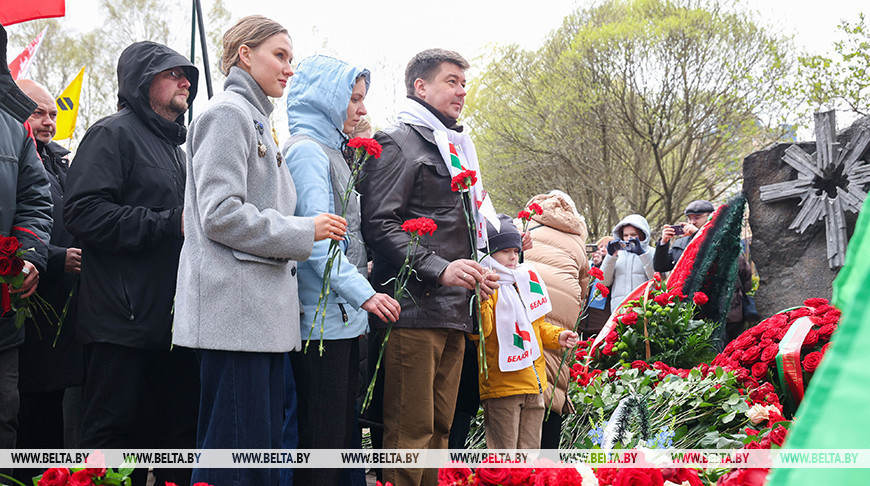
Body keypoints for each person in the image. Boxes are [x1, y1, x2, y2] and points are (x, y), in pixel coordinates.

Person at [171, 16, 347, 486]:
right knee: (236, 460)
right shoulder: (227, 113)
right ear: (245, 55)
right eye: (280, 55)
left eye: (291, 58)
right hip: (236, 320)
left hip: (260, 321)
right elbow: (220, 213)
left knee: (262, 458)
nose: (289, 68)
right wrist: (303, 230)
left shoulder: (257, 119)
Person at [358, 48, 499, 486]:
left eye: (463, 82)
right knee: (411, 429)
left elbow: (463, 226)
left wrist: (480, 267)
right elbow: (379, 224)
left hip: (455, 311)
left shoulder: (454, 145)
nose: (461, 91)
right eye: (451, 81)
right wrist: (440, 268)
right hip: (412, 313)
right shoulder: (398, 141)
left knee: (440, 428)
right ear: (420, 87)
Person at [63, 40, 200, 486]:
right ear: (142, 83)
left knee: (175, 445)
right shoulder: (112, 133)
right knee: (111, 450)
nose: (186, 81)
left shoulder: (178, 152)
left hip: (172, 328)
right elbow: (82, 212)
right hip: (120, 326)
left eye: (188, 75)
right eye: (173, 73)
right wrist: (167, 223)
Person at [283, 54, 400, 486]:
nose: (362, 110)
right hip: (321, 326)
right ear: (325, 100)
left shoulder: (329, 151)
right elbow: (314, 241)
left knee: (338, 443)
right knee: (322, 446)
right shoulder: (309, 154)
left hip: (340, 321)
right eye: (353, 99)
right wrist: (364, 293)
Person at [13, 79, 84, 480]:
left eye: (53, 114)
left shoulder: (59, 161)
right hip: (26, 303)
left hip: (59, 311)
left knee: (52, 413)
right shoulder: (15, 157)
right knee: (28, 413)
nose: (48, 122)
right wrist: (56, 259)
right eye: (38, 112)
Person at [476, 214, 578, 449]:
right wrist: (481, 299)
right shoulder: (486, 286)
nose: (513, 257)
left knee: (530, 457)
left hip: (535, 385)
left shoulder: (523, 280)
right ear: (488, 253)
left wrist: (558, 336)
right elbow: (482, 332)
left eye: (516, 250)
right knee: (504, 458)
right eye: (505, 251)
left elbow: (537, 326)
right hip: (503, 386)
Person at [0, 23, 53, 476]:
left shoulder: (13, 127)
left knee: (4, 424)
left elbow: (36, 200)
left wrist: (31, 257)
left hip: (3, 319)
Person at [516, 190, 589, 449]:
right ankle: (548, 454)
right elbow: (583, 286)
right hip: (563, 301)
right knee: (555, 372)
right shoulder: (577, 238)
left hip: (526, 294)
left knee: (521, 362)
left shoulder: (524, 225)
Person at [601, 214, 655, 311]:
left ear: (642, 234)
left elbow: (657, 280)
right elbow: (604, 281)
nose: (629, 238)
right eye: (625, 235)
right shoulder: (617, 254)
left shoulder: (651, 252)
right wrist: (610, 257)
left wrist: (643, 255)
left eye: (633, 235)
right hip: (619, 310)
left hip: (644, 309)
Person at [654, 199, 714, 272]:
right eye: (689, 218)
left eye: (697, 217)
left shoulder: (718, 238)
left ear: (710, 217)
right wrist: (663, 242)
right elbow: (660, 267)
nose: (692, 222)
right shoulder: (680, 242)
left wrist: (697, 234)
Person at [580, 235, 614, 336]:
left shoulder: (615, 267)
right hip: (582, 323)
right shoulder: (588, 265)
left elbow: (606, 281)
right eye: (600, 246)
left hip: (600, 323)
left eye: (607, 247)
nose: (603, 249)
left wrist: (600, 265)